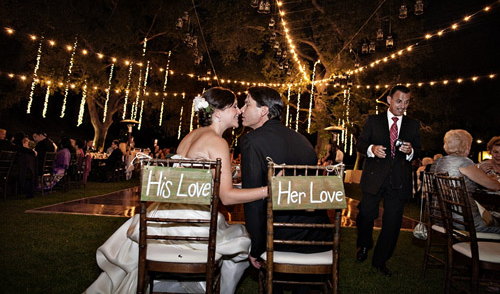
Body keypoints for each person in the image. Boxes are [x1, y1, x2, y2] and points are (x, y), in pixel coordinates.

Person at [86, 87, 263, 294]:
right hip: (193, 226)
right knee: (244, 241)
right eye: (233, 106)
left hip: (161, 221)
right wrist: (266, 190)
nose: (239, 110)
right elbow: (227, 197)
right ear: (218, 113)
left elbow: (191, 179)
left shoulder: (189, 137)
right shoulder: (218, 143)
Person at [239, 86, 332, 273]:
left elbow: (254, 203)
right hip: (318, 236)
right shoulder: (303, 140)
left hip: (280, 238)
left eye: (247, 104)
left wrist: (256, 247)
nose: (241, 109)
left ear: (263, 111)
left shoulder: (252, 141)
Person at [355, 85, 422, 276]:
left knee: (392, 223)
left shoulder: (413, 125)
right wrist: (372, 149)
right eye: (399, 101)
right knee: (366, 215)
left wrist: (411, 152)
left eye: (407, 102)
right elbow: (360, 144)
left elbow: (419, 150)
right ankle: (365, 244)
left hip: (399, 181)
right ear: (389, 100)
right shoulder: (373, 121)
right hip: (374, 178)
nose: (403, 106)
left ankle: (380, 260)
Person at [433, 130, 500, 232]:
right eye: (469, 144)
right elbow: (495, 186)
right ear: (465, 145)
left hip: (440, 217)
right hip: (464, 222)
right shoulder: (464, 162)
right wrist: (493, 179)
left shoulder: (438, 162)